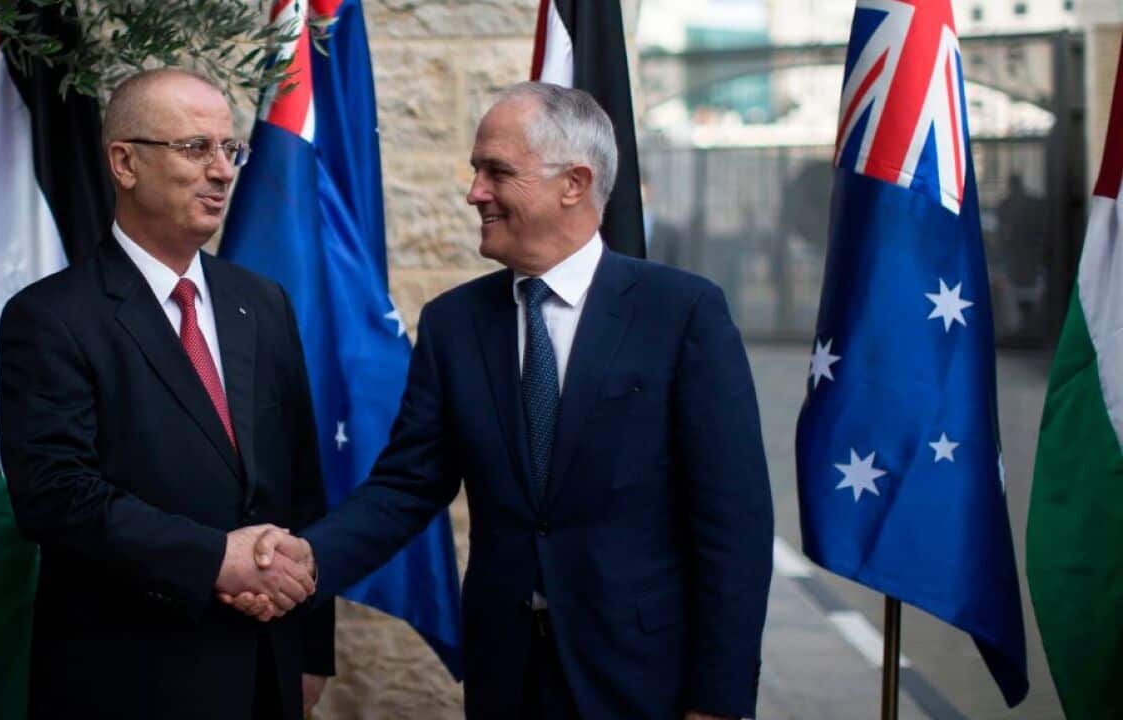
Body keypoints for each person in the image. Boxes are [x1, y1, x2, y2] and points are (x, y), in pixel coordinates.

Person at [239, 82, 774, 719]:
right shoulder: (453, 324)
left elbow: (733, 528)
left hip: (643, 680)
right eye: (475, 172)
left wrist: (718, 701)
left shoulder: (683, 313)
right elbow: (406, 487)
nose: (475, 193)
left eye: (496, 172)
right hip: (506, 677)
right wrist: (310, 557)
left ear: (573, 183)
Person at [0, 68, 333, 720]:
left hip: (266, 669)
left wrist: (313, 645)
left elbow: (301, 483)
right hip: (128, 679)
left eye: (229, 149)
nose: (222, 171)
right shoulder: (52, 316)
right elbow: (54, 496)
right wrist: (215, 559)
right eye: (194, 148)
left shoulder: (261, 304)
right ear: (124, 162)